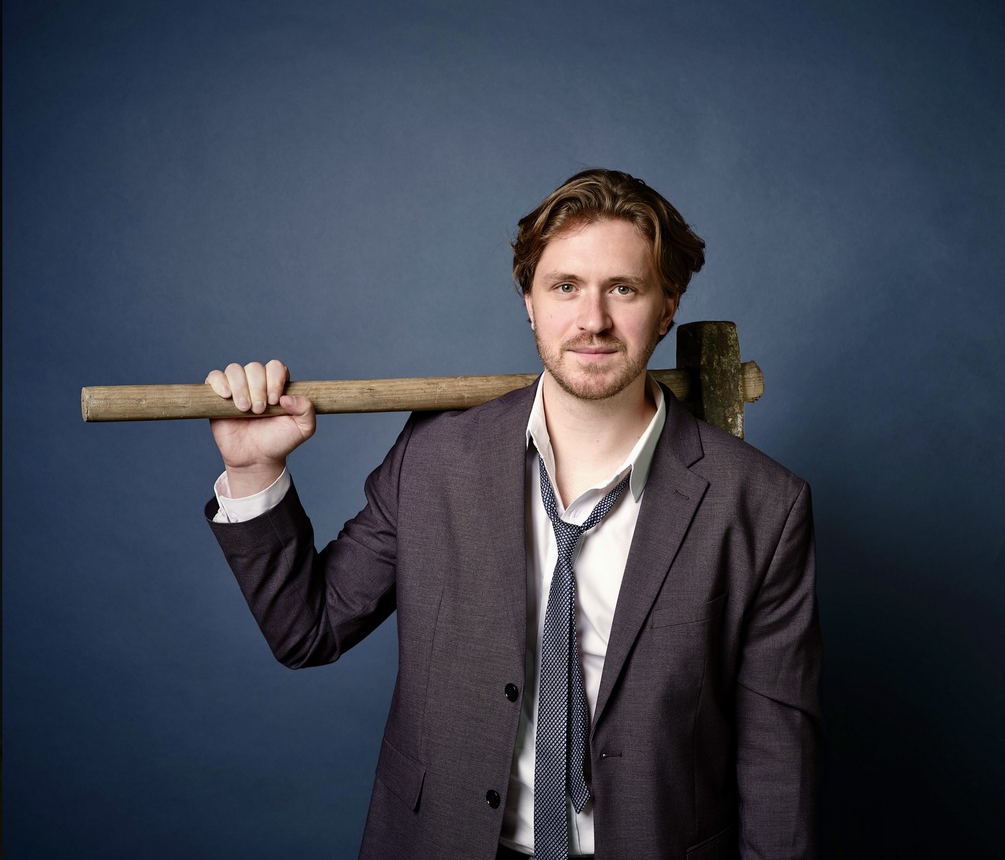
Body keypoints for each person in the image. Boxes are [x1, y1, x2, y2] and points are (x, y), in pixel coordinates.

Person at [204, 169, 821, 860]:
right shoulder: (435, 457)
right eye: (565, 287)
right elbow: (307, 631)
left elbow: (778, 767)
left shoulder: (762, 505)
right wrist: (252, 469)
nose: (593, 320)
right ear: (529, 301)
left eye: (623, 288)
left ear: (668, 304)